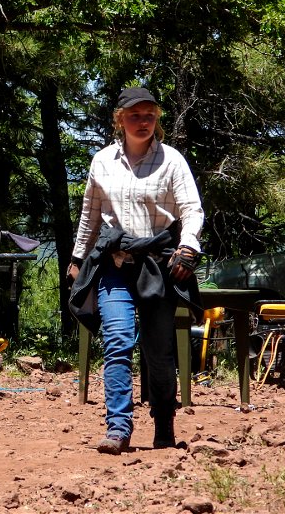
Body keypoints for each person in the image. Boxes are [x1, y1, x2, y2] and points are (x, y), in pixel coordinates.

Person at [67, 86, 203, 455]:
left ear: (157, 120)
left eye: (149, 115)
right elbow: (90, 215)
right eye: (134, 116)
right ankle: (118, 428)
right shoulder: (102, 161)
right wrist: (79, 258)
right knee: (117, 342)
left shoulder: (172, 161)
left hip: (159, 266)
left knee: (158, 351)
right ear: (119, 120)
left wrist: (188, 246)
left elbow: (192, 209)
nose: (143, 122)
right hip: (115, 263)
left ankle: (164, 425)